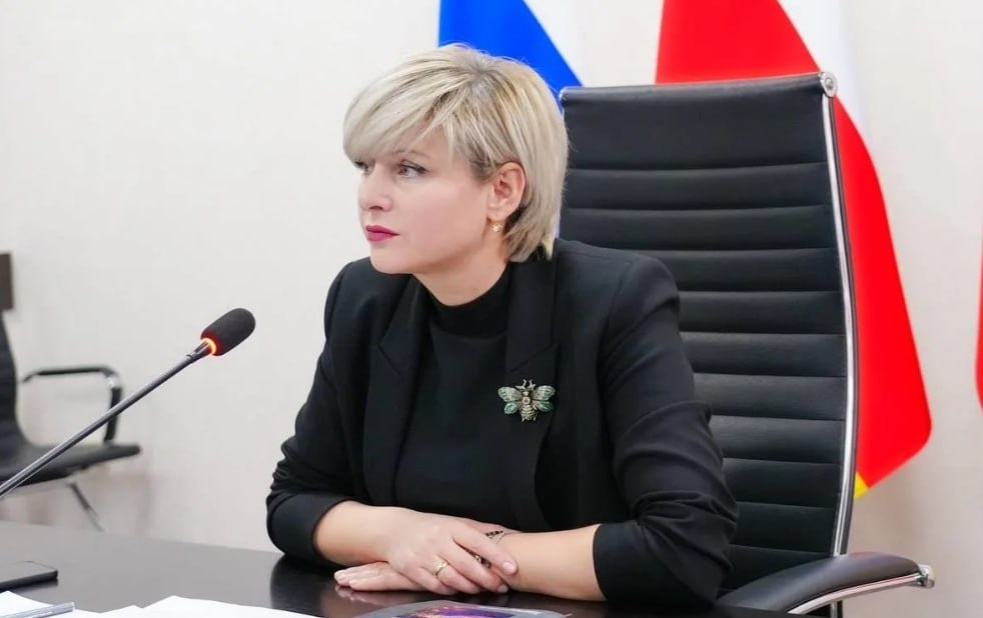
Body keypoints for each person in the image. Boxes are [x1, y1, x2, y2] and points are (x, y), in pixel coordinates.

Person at [266, 44, 736, 606]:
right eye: (367, 168)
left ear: (502, 191)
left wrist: (469, 556)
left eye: (409, 170)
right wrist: (399, 534)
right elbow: (294, 500)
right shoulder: (366, 296)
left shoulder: (612, 300)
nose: (371, 197)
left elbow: (685, 546)